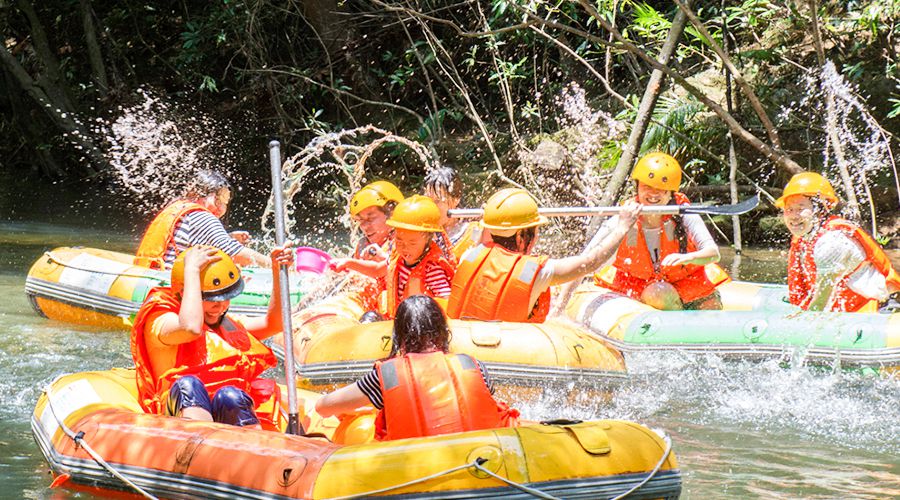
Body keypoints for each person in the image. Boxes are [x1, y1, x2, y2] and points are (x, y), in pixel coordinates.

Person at [130, 244, 293, 429]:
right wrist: (191, 271)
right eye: (213, 299)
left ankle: (257, 450)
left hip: (223, 419)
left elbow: (274, 324)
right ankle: (201, 444)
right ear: (185, 293)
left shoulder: (224, 324)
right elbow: (190, 328)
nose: (221, 306)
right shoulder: (161, 320)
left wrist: (277, 270)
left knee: (232, 396)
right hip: (177, 419)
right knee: (188, 386)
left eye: (225, 298)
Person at [315, 295, 518, 441]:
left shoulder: (388, 374)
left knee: (362, 427)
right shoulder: (473, 366)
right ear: (442, 332)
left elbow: (323, 407)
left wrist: (366, 408)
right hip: (483, 462)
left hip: (416, 475)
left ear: (400, 337)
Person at [447, 188, 641, 323]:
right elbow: (591, 263)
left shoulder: (469, 254)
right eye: (535, 230)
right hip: (511, 354)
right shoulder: (537, 272)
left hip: (467, 343)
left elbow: (485, 239)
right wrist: (623, 226)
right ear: (522, 236)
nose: (537, 236)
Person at [594, 152, 729, 310]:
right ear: (637, 188)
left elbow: (713, 253)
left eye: (661, 189)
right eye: (647, 187)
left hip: (687, 284)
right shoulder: (623, 220)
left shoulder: (685, 215)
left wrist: (687, 258)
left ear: (671, 193)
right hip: (643, 288)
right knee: (660, 293)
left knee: (711, 306)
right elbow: (587, 260)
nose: (653, 194)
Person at [777, 171, 900, 312]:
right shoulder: (806, 237)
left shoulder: (832, 242)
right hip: (853, 310)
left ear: (820, 210)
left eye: (801, 208)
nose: (793, 216)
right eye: (789, 209)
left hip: (879, 311)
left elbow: (820, 303)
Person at [331, 195, 456, 317]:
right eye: (399, 241)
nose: (404, 247)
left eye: (412, 243)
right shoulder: (398, 257)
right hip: (399, 320)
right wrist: (349, 263)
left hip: (420, 326)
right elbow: (377, 270)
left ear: (429, 240)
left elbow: (446, 301)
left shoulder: (432, 269)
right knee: (370, 317)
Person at [134, 170, 269, 269]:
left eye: (225, 202)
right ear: (196, 194)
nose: (221, 208)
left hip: (151, 276)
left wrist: (228, 237)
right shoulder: (202, 217)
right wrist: (276, 263)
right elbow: (237, 254)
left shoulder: (180, 209)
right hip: (170, 290)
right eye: (217, 200)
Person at [423, 166, 483, 260]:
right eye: (428, 200)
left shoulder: (474, 232)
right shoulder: (422, 233)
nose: (432, 207)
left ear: (456, 199)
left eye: (437, 201)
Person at [349, 180, 404, 260]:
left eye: (370, 218)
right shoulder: (362, 245)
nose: (364, 226)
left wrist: (383, 259)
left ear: (392, 213)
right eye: (360, 220)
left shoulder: (406, 244)